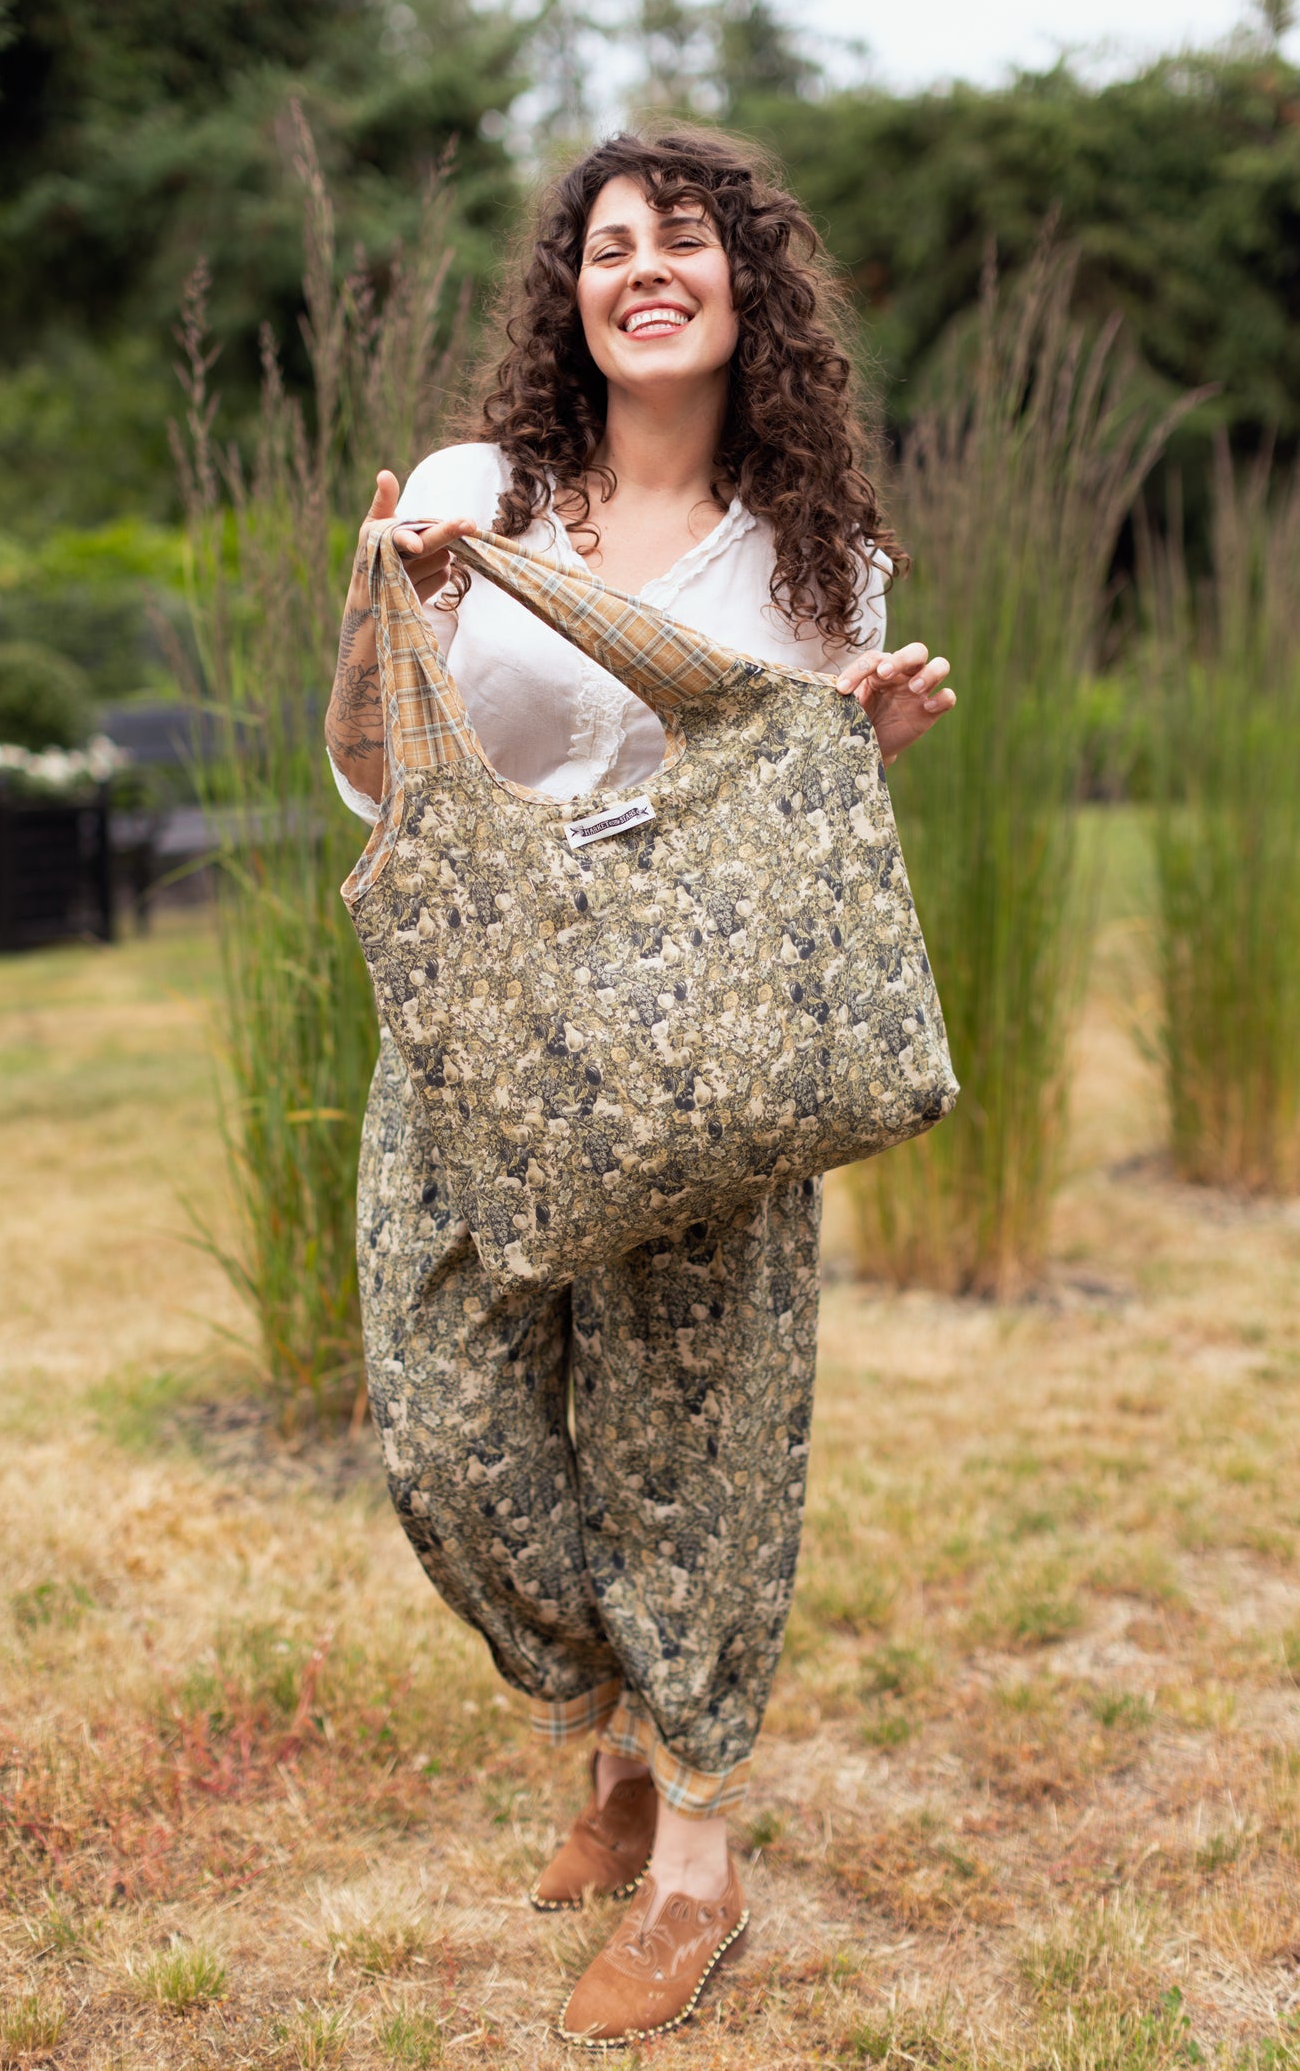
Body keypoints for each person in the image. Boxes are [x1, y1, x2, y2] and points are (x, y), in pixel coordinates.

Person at [326, 126, 955, 2049]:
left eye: (686, 242)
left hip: (714, 1068)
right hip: (487, 1030)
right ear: (571, 294)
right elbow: (369, 776)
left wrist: (869, 744)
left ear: (744, 289)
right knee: (442, 1425)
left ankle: (694, 1859)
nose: (645, 268)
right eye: (609, 247)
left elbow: (794, 841)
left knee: (702, 1437)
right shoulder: (469, 489)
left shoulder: (814, 555)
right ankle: (594, 1718)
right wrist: (401, 609)